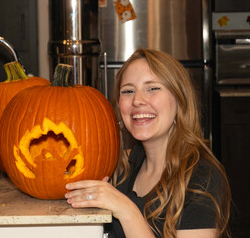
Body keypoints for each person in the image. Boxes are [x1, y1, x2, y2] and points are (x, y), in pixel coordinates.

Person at [65, 49, 231, 238]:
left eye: (152, 88)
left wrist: (126, 210)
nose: (137, 100)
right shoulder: (122, 166)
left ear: (179, 100)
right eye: (128, 91)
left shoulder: (202, 178)